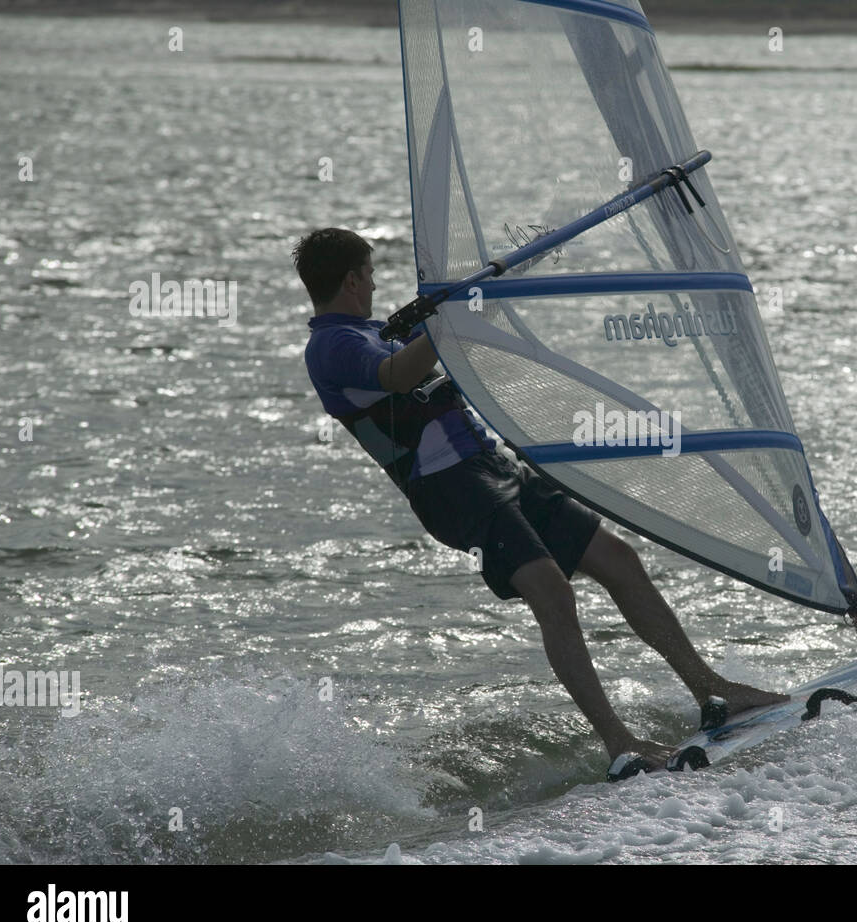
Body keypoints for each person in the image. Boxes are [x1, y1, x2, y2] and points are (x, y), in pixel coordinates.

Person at [294, 227, 787, 780]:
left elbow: (455, 343)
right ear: (352, 280)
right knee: (551, 589)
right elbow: (398, 373)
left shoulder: (374, 330)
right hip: (451, 487)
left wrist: (483, 297)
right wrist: (442, 322)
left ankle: (712, 692)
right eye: (370, 274)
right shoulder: (333, 346)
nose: (375, 283)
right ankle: (620, 746)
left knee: (617, 559)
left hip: (494, 466)